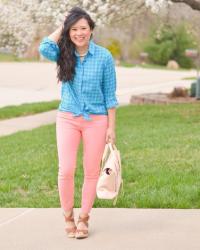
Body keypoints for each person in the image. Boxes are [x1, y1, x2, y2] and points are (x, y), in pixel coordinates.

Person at [38, 7, 118, 239]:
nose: (79, 33)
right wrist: (62, 26)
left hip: (97, 120)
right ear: (68, 31)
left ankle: (84, 218)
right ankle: (67, 217)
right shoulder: (63, 53)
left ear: (91, 30)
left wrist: (111, 127)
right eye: (74, 29)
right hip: (67, 118)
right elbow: (44, 46)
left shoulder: (104, 56)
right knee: (67, 169)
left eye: (83, 28)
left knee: (91, 171)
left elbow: (110, 95)